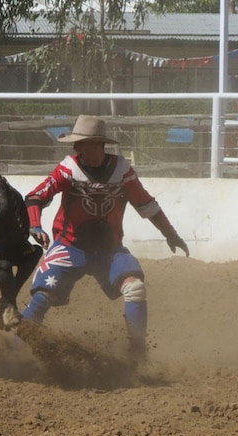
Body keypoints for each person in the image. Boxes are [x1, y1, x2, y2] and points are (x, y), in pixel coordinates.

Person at [21, 115, 189, 363]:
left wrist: (170, 233)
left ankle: (137, 353)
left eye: (82, 143)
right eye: (77, 144)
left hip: (109, 250)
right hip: (70, 246)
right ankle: (15, 348)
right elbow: (35, 197)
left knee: (135, 287)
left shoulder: (122, 171)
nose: (77, 148)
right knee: (44, 294)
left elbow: (146, 203)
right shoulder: (68, 168)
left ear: (99, 145)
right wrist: (35, 226)